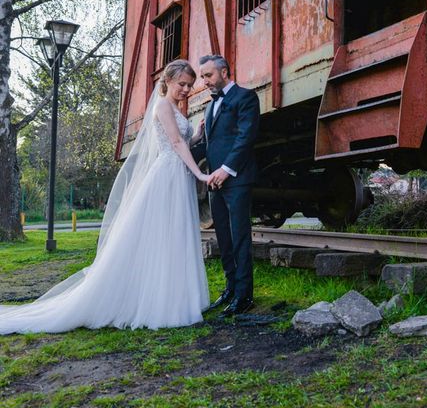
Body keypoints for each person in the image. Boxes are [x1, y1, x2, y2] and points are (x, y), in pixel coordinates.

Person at [0, 60, 213, 334]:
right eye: (181, 84)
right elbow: (173, 145)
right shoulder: (162, 105)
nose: (186, 89)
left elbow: (180, 143)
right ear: (168, 81)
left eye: (189, 85)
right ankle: (160, 303)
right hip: (168, 177)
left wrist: (195, 135)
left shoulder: (173, 108)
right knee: (164, 236)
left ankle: (175, 298)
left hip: (174, 174)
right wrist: (200, 174)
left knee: (174, 235)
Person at [198, 54, 260, 316]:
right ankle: (231, 288)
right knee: (222, 236)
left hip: (236, 180)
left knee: (239, 237)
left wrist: (226, 169)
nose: (205, 82)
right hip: (214, 182)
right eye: (202, 77)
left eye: (208, 75)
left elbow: (246, 138)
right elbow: (210, 145)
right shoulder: (209, 105)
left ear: (224, 72)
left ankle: (245, 295)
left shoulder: (246, 97)